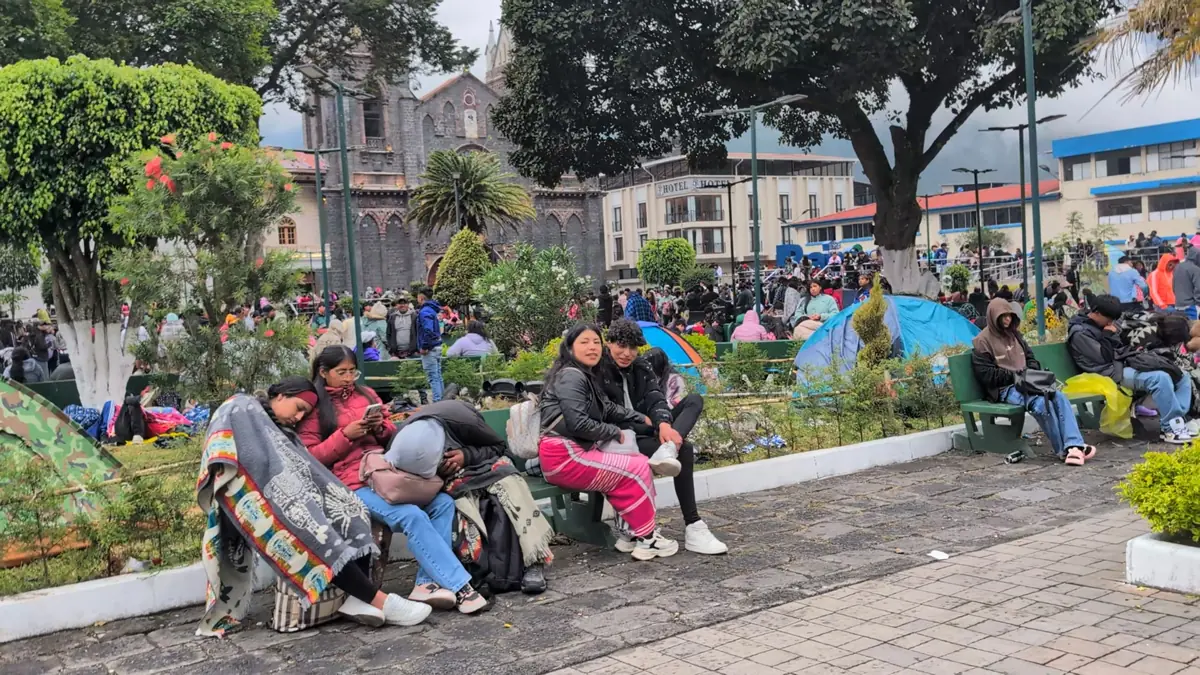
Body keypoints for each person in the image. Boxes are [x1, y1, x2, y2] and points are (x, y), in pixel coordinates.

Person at [197, 376, 432, 633]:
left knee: (350, 508)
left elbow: (304, 467)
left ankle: (357, 597)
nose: (298, 418)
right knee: (316, 534)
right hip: (253, 497)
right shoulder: (242, 407)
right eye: (298, 408)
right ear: (281, 396)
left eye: (304, 413)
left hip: (287, 494)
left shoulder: (280, 429)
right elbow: (249, 460)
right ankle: (380, 601)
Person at [298, 346, 490, 613]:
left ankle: (425, 585)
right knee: (411, 515)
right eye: (341, 372)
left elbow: (391, 436)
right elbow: (311, 458)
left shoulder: (366, 395)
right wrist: (346, 435)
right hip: (351, 483)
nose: (348, 378)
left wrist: (380, 428)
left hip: (387, 472)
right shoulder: (315, 408)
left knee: (442, 503)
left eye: (352, 371)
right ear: (323, 372)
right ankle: (461, 588)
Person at [538, 325, 677, 560]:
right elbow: (578, 424)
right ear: (570, 347)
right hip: (564, 457)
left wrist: (638, 417)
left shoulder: (583, 374)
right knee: (638, 467)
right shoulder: (571, 376)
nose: (591, 347)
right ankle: (648, 538)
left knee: (634, 460)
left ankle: (630, 536)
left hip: (573, 453)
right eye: (584, 342)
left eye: (595, 341)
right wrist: (612, 431)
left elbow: (607, 407)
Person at [394, 400, 555, 594]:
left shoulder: (463, 421)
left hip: (486, 464)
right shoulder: (403, 440)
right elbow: (412, 480)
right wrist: (440, 472)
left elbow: (499, 448)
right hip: (447, 479)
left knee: (509, 483)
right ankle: (481, 569)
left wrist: (466, 455)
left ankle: (533, 561)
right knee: (461, 500)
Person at [599, 325, 728, 555]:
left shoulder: (640, 366)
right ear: (609, 343)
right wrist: (650, 423)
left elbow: (656, 398)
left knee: (694, 400)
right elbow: (607, 414)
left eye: (633, 348)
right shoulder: (599, 371)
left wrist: (664, 425)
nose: (627, 353)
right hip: (622, 437)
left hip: (649, 430)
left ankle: (668, 448)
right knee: (685, 450)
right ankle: (693, 523)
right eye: (621, 346)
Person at [972, 299, 1093, 465]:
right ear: (994, 317)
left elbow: (1030, 358)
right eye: (1003, 316)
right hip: (1005, 389)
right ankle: (1063, 450)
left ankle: (1074, 444)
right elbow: (987, 375)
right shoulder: (982, 341)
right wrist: (1014, 375)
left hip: (1028, 381)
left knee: (1058, 396)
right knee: (1042, 404)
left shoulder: (1015, 334)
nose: (1007, 320)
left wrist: (1029, 372)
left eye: (1009, 315)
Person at [1068, 294, 1194, 444]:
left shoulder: (1102, 324)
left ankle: (1176, 421)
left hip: (1123, 363)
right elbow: (1103, 358)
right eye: (1109, 318)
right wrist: (1108, 334)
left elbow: (1117, 345)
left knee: (1181, 375)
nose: (1111, 322)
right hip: (1107, 372)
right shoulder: (1080, 332)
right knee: (1160, 378)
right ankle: (1170, 428)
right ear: (1097, 312)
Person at [415, 287, 445, 402]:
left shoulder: (425, 311)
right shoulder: (433, 310)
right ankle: (442, 400)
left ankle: (438, 402)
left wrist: (424, 346)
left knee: (433, 377)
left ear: (421, 297)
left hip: (430, 348)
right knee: (437, 375)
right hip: (437, 346)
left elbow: (428, 330)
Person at [1174, 245, 1200, 320]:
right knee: (1193, 329)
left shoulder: (1177, 267)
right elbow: (1198, 288)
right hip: (1192, 307)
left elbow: (1173, 287)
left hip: (1178, 305)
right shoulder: (1196, 269)